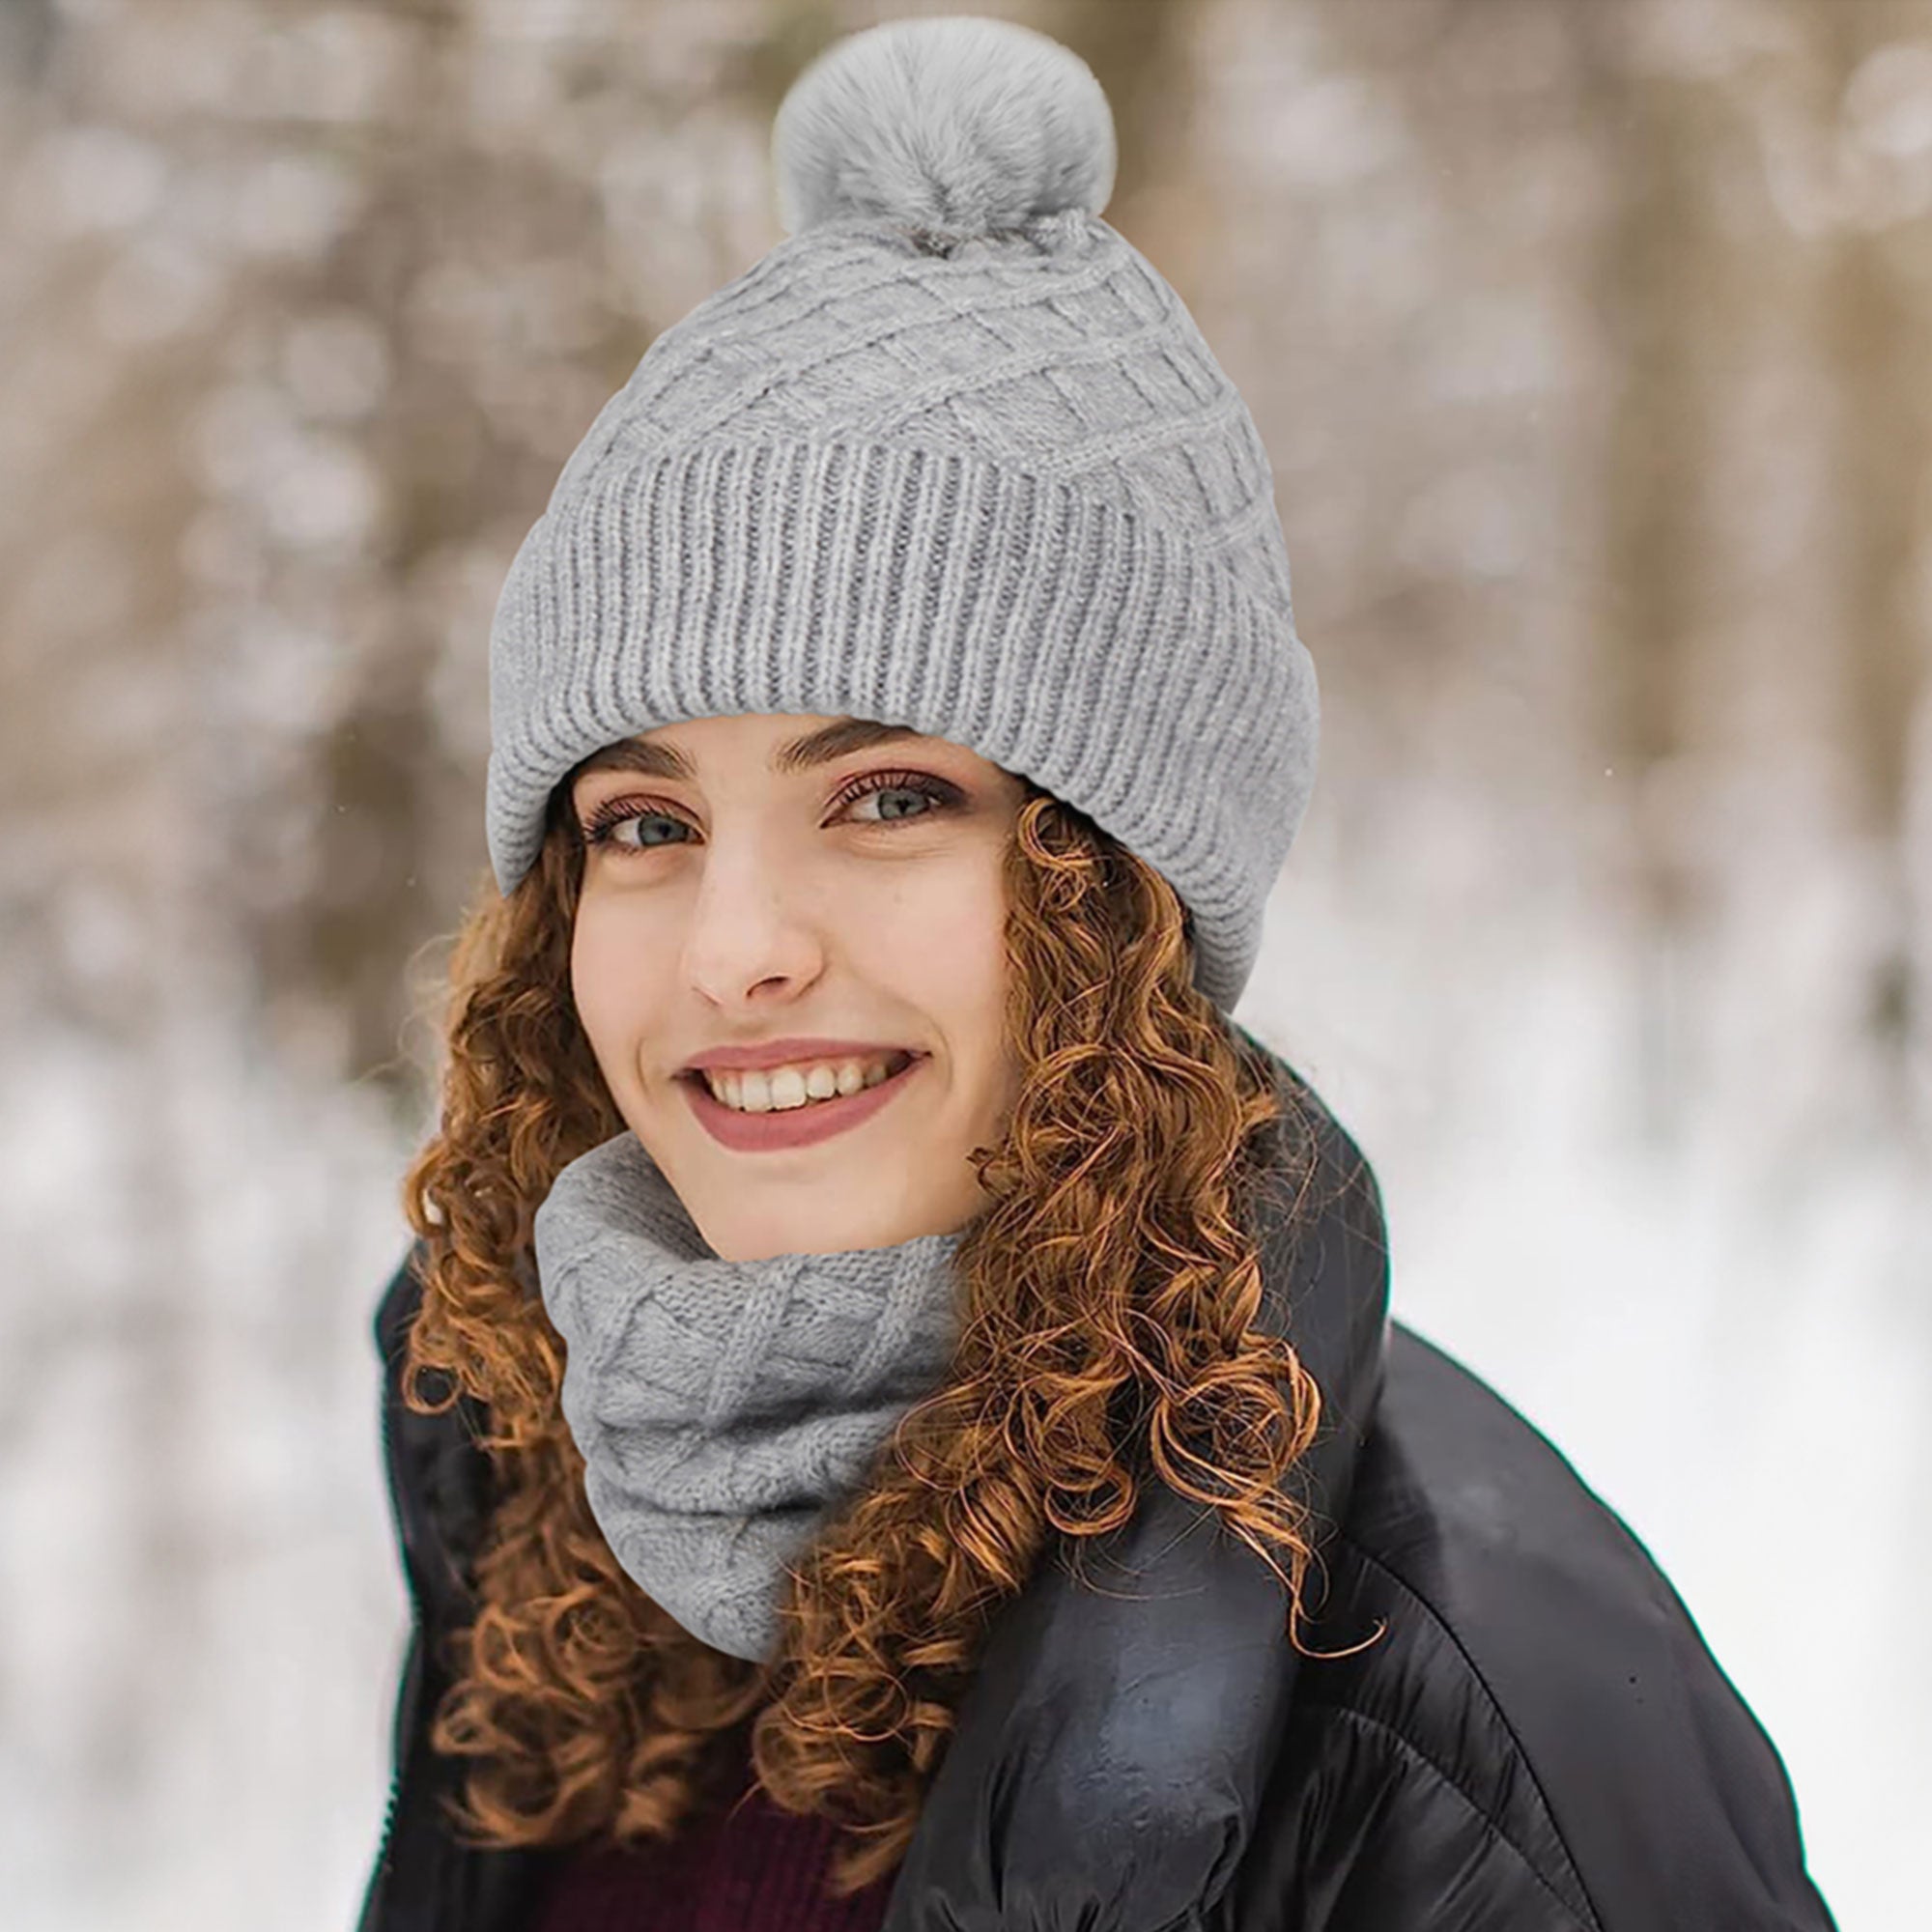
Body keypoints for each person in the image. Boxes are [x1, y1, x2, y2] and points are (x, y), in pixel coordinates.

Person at [355, 17, 1835, 1931]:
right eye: (645, 822)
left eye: (888, 796)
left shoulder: (1477, 1745)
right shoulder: (536, 1492)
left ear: (1115, 900)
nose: (734, 948)